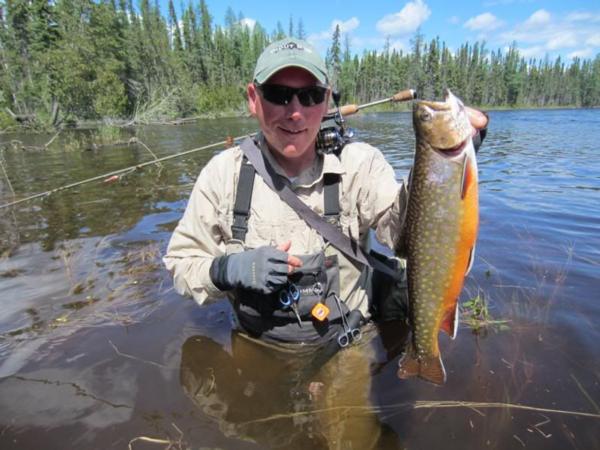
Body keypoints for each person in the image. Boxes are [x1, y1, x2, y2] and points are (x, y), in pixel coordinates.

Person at [164, 37, 488, 448]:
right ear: (253, 98)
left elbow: (404, 234)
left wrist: (447, 175)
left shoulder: (360, 164)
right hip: (258, 346)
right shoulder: (222, 175)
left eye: (311, 95)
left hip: (347, 344)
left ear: (327, 99)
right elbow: (180, 262)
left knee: (353, 439)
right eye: (279, 95)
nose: (295, 111)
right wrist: (227, 269)